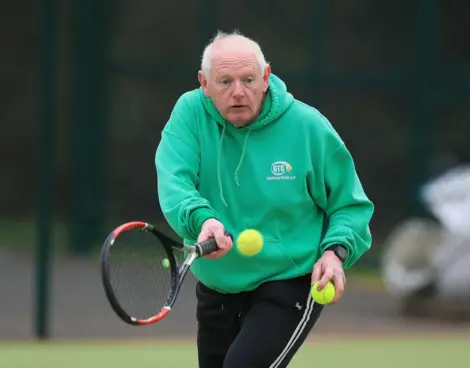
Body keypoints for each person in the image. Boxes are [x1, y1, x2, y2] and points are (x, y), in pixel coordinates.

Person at [155, 30, 374, 368]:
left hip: (290, 281)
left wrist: (335, 252)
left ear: (266, 78)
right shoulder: (189, 114)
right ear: (204, 83)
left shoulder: (307, 127)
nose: (238, 92)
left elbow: (349, 204)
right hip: (219, 285)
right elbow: (175, 182)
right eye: (225, 81)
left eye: (248, 79)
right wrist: (204, 220)